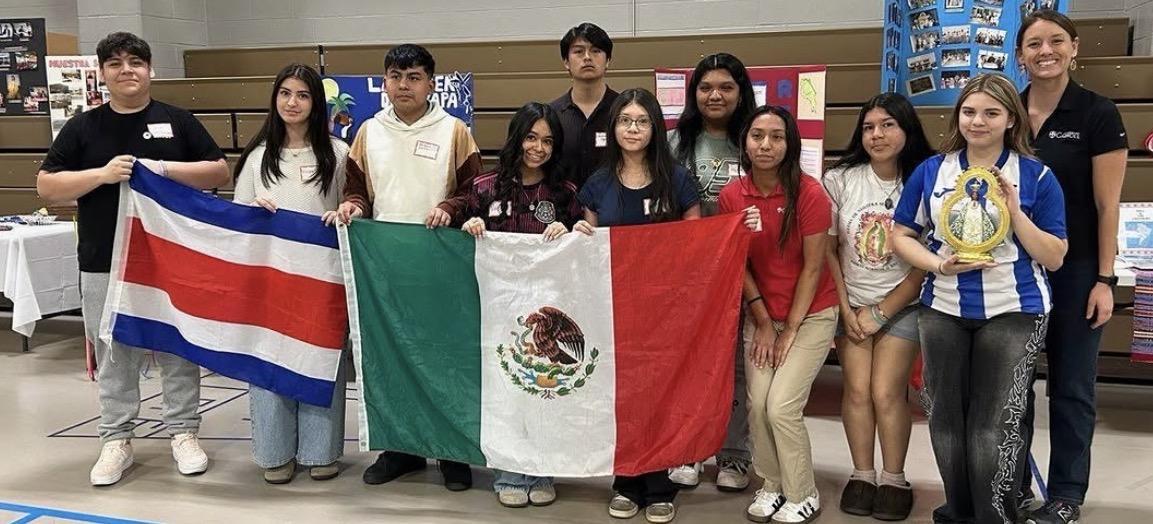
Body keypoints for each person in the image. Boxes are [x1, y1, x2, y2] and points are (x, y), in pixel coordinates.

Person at [35, 31, 230, 486]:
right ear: (102, 73)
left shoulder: (177, 121)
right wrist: (102, 174)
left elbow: (219, 171)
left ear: (150, 69)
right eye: (116, 63)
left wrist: (163, 169)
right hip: (105, 259)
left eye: (136, 62)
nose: (127, 70)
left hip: (171, 261)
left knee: (178, 347)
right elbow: (47, 186)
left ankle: (183, 430)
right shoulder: (83, 127)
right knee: (113, 350)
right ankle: (116, 438)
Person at [890, 73, 1068, 524]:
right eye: (969, 112)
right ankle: (958, 511)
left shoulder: (1037, 175)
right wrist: (938, 265)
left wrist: (1014, 213)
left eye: (991, 113)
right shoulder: (932, 171)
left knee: (994, 424)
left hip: (1015, 309)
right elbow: (901, 235)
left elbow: (1054, 256)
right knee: (945, 421)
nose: (978, 121)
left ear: (1011, 119)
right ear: (958, 117)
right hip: (943, 306)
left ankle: (996, 516)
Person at [334, 43, 483, 491]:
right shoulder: (368, 132)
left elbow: (475, 191)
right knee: (391, 357)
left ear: (431, 84)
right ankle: (401, 450)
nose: (404, 85)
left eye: (414, 76)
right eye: (396, 76)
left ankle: (452, 452)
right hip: (385, 269)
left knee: (445, 358)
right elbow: (357, 191)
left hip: (441, 268)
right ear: (384, 82)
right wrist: (354, 207)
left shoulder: (455, 131)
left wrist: (449, 207)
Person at [430, 102, 581, 508]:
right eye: (531, 137)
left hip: (547, 313)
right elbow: (455, 218)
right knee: (507, 393)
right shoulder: (484, 188)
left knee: (542, 390)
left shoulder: (565, 193)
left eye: (547, 141)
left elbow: (585, 241)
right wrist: (467, 223)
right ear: (517, 138)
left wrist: (570, 230)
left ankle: (541, 470)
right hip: (497, 312)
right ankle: (510, 472)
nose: (538, 148)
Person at [1015, 10, 1129, 524]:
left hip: (1078, 271)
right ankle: (1011, 486)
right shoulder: (1006, 111)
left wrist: (1104, 280)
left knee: (1071, 389)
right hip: (1015, 271)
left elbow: (1108, 206)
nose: (1046, 51)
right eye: (1034, 43)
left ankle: (1065, 494)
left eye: (1056, 40)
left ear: (1074, 48)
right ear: (1020, 55)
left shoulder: (1097, 112)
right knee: (1011, 387)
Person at [579, 87, 701, 524]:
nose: (633, 129)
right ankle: (626, 481)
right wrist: (578, 235)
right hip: (616, 309)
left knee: (662, 396)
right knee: (623, 397)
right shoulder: (598, 183)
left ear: (655, 127)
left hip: (666, 309)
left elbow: (698, 244)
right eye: (625, 121)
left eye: (642, 121)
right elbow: (588, 246)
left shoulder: (679, 180)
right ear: (614, 128)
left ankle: (660, 484)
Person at [232, 63, 350, 485]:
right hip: (270, 281)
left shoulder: (337, 154)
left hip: (323, 279)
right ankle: (274, 451)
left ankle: (321, 451)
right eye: (285, 93)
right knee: (269, 363)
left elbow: (354, 205)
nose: (292, 102)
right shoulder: (257, 157)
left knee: (320, 361)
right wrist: (253, 211)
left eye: (302, 95)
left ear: (316, 103)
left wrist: (344, 212)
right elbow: (237, 219)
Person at [720, 106, 838, 524]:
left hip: (811, 314)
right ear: (745, 142)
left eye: (776, 137)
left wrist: (789, 330)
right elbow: (739, 264)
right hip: (762, 316)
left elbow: (813, 267)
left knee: (782, 407)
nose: (766, 145)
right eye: (757, 136)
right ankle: (772, 484)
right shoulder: (732, 196)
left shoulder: (810, 193)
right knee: (757, 407)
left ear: (790, 144)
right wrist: (765, 322)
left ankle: (803, 493)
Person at [823, 93, 935, 521]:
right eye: (869, 127)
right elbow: (829, 250)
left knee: (887, 391)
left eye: (888, 125)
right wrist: (845, 308)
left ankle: (894, 478)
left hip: (903, 303)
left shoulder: (924, 179)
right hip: (850, 304)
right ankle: (862, 474)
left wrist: (882, 312)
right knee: (856, 390)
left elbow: (926, 260)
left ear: (907, 129)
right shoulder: (841, 178)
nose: (877, 135)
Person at [666, 52, 757, 493]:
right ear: (694, 93)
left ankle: (735, 453)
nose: (715, 95)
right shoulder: (674, 143)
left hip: (744, 271)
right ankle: (686, 449)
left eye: (725, 87)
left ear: (741, 93)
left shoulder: (755, 139)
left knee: (736, 365)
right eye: (705, 87)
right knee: (687, 363)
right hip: (685, 275)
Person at [550, 22, 619, 187]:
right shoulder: (552, 114)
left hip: (615, 202)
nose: (587, 57)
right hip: (563, 202)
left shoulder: (624, 110)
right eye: (579, 51)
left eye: (596, 50)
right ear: (566, 62)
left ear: (608, 60)